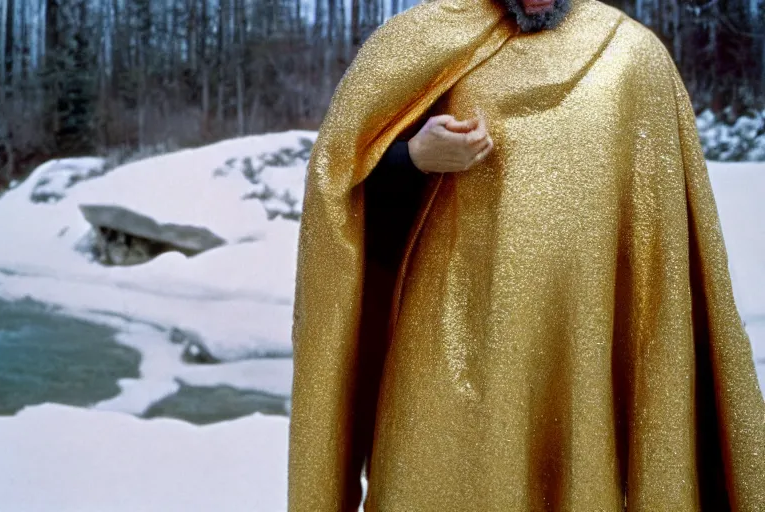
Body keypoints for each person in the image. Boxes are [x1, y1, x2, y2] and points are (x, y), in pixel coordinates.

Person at [287, 0, 765, 510]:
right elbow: (342, 196)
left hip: (583, 355)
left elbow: (661, 261)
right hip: (446, 360)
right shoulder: (420, 41)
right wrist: (413, 159)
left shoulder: (633, 58)